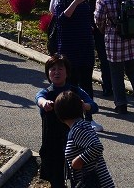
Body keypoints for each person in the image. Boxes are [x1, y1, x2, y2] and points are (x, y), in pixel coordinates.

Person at [48, 0, 100, 131]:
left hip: (85, 45)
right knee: (71, 85)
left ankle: (89, 119)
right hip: (69, 48)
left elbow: (87, 16)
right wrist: (77, 1)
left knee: (87, 84)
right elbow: (61, 19)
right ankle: (69, 118)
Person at [35, 55, 98, 188]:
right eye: (53, 69)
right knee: (56, 178)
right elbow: (38, 98)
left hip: (75, 142)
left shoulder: (75, 91)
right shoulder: (45, 93)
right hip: (52, 143)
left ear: (67, 72)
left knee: (78, 178)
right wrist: (44, 103)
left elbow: (93, 106)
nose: (56, 72)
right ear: (48, 73)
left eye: (60, 69)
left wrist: (84, 105)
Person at [55, 91, 115, 188]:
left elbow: (96, 146)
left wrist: (78, 160)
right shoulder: (80, 127)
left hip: (97, 184)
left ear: (59, 114)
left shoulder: (78, 129)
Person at [76, 0, 111, 97]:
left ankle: (84, 87)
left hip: (84, 22)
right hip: (102, 22)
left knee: (84, 56)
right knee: (104, 56)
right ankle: (108, 87)